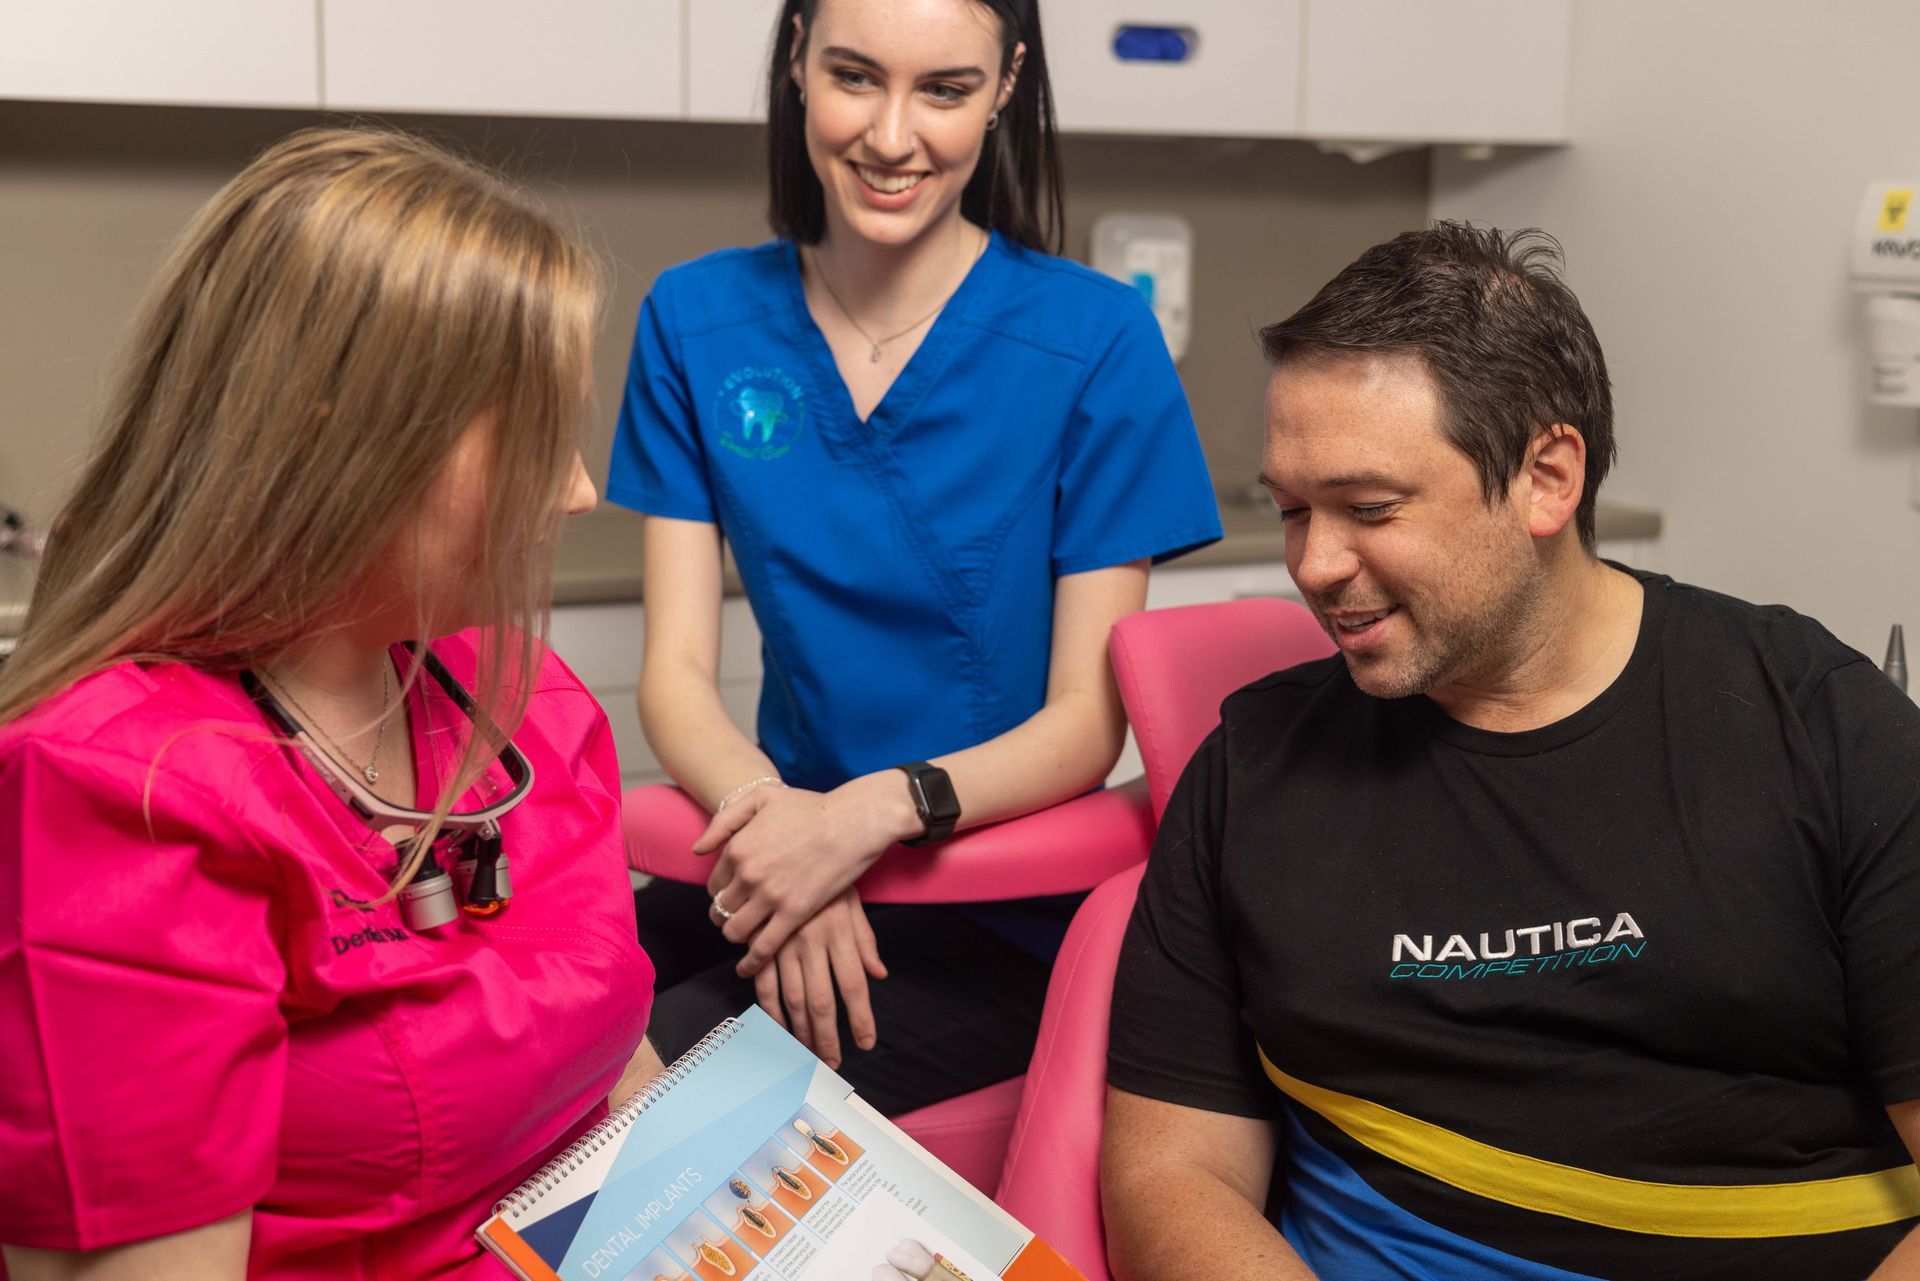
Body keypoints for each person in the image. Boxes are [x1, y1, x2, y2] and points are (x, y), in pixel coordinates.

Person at [1101, 222, 1920, 1280]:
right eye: (1292, 511)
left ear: (1547, 475)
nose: (1312, 562)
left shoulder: (1820, 729)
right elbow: (1171, 1175)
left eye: (1369, 509)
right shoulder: (1252, 773)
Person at [0, 127, 661, 1280]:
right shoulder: (120, 795)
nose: (579, 491)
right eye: (533, 439)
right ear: (348, 442)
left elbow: (618, 1070)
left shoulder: (523, 695)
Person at [610, 0, 1220, 1112]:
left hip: (997, 903)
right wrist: (790, 839)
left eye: (943, 89)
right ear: (796, 60)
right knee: (531, 1007)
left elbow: (1086, 726)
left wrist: (856, 823)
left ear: (1005, 86)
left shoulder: (1095, 340)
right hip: (773, 851)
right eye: (855, 76)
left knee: (641, 1098)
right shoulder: (695, 318)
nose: (893, 138)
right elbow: (676, 676)